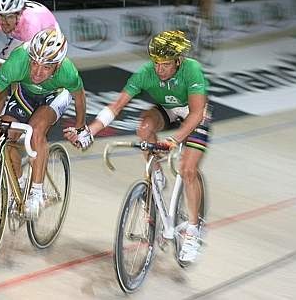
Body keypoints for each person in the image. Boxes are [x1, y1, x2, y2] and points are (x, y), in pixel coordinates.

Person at [67, 30, 211, 263]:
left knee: (187, 169)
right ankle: (156, 175)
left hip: (195, 113)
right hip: (169, 109)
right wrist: (89, 132)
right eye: (156, 63)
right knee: (144, 128)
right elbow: (116, 106)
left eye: (165, 64)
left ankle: (193, 231)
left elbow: (195, 115)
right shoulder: (146, 73)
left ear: (178, 61)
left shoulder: (191, 69)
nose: (159, 69)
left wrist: (175, 140)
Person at [0, 28, 92, 219]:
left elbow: (80, 98)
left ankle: (36, 193)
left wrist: (80, 126)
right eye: (34, 64)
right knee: (3, 135)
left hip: (55, 96)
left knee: (36, 130)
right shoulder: (17, 61)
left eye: (46, 67)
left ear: (57, 67)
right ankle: (20, 184)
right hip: (26, 95)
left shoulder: (67, 72)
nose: (37, 72)